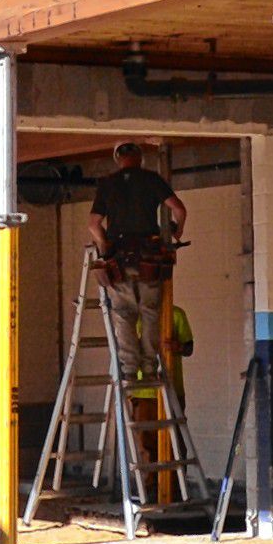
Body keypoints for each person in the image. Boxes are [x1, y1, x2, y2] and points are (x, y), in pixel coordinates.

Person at [89, 142, 186, 385]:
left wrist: (104, 246)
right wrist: (178, 231)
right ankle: (150, 369)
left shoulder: (108, 184)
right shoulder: (151, 180)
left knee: (124, 314)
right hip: (149, 259)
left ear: (117, 159)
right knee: (150, 312)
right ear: (140, 158)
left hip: (119, 260)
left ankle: (130, 371)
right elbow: (179, 210)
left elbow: (93, 223)